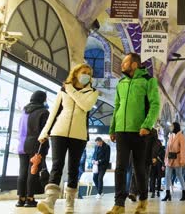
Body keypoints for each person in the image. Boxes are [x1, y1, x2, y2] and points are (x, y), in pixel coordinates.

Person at [37, 63, 99, 214]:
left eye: (89, 74)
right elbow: (55, 111)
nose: (87, 76)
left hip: (79, 135)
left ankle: (70, 202)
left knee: (73, 168)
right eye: (84, 72)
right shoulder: (63, 89)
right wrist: (44, 132)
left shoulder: (93, 92)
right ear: (76, 73)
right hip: (59, 131)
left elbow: (85, 105)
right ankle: (50, 200)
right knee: (56, 165)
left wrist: (70, 89)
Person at [107, 53, 160, 214]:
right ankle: (119, 204)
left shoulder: (148, 81)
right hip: (121, 131)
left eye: (125, 62)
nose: (122, 65)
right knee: (120, 168)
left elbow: (155, 105)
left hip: (140, 132)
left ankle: (143, 200)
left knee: (139, 168)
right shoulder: (121, 83)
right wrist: (112, 128)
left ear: (134, 64)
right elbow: (117, 106)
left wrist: (147, 125)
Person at [16, 91, 49, 208]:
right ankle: (30, 198)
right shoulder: (44, 112)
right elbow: (45, 131)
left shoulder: (24, 111)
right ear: (42, 99)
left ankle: (21, 198)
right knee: (33, 172)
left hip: (22, 145)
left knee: (22, 172)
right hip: (36, 145)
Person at [162, 122, 185, 201]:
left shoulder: (181, 136)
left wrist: (183, 160)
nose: (171, 128)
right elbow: (167, 148)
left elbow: (183, 149)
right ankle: (167, 193)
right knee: (167, 176)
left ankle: (184, 192)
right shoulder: (171, 135)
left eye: (172, 126)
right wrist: (165, 158)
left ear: (175, 127)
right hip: (170, 158)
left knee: (179, 175)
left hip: (177, 157)